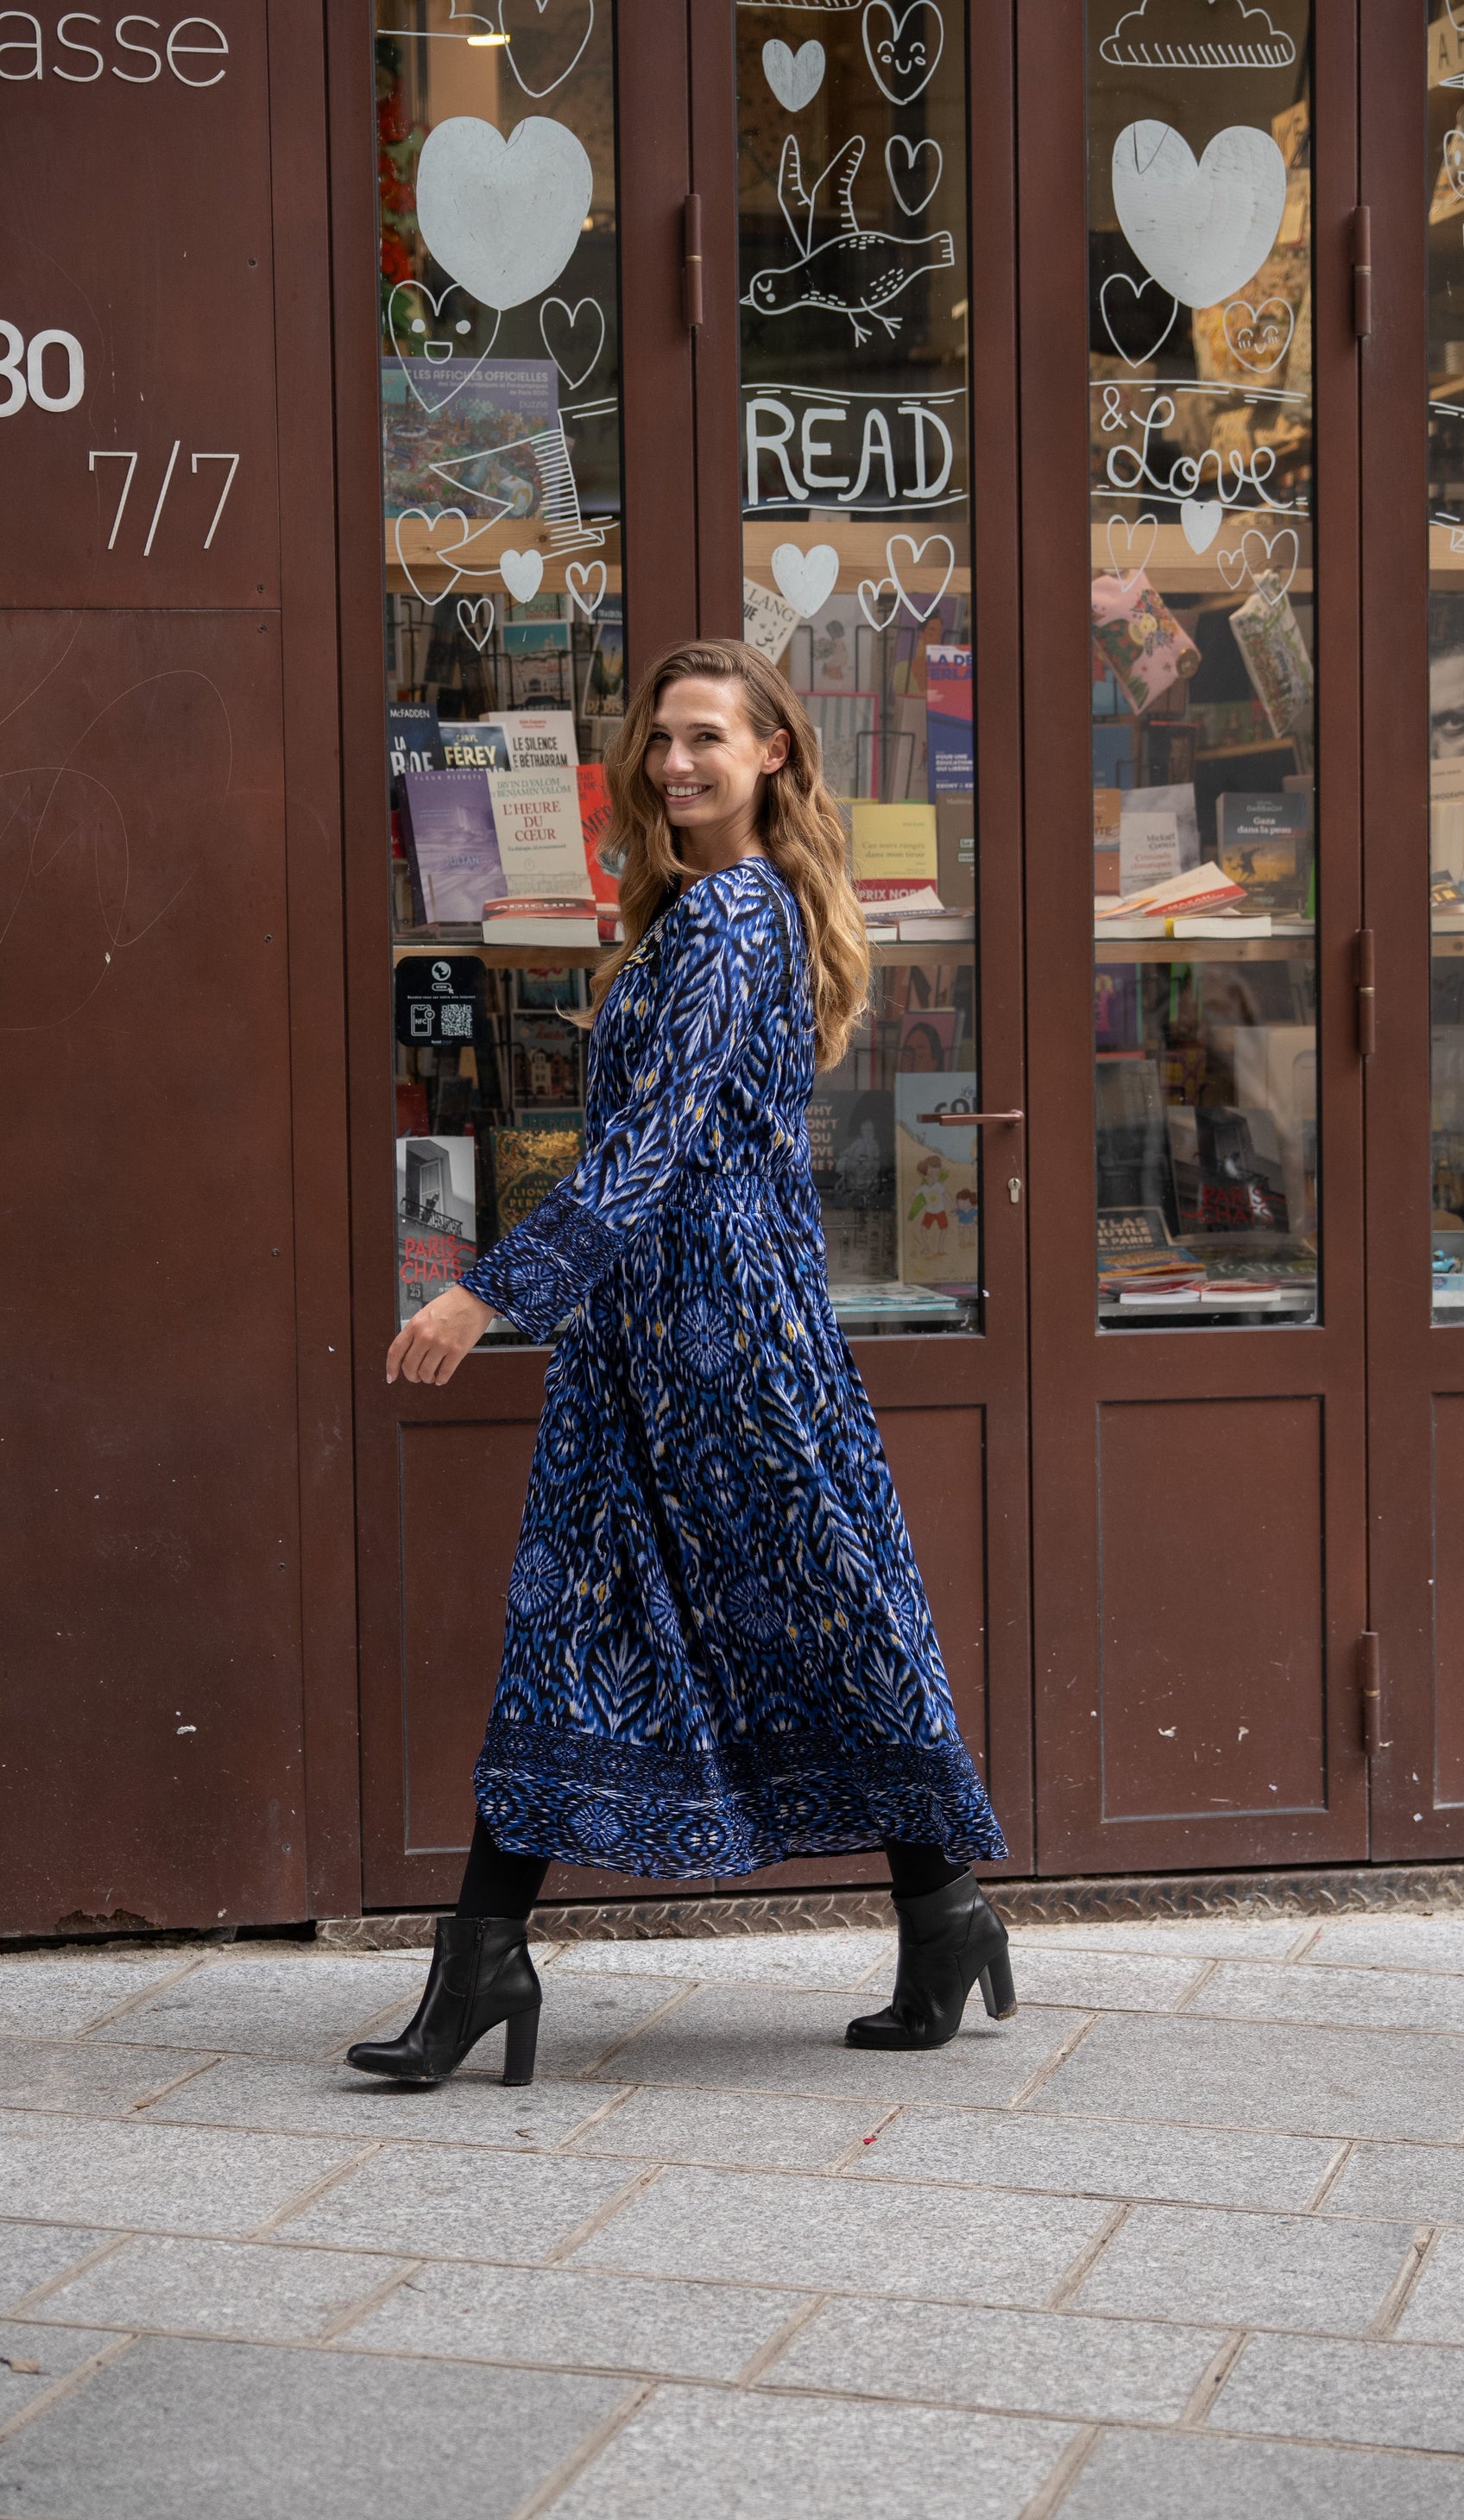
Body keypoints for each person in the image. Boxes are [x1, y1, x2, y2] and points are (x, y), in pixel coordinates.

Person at [349, 640, 1012, 2088]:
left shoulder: (726, 918)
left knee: (810, 1615)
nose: (674, 764)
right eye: (659, 739)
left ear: (773, 752)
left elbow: (642, 1156)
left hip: (719, 1339)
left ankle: (940, 1910)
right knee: (612, 1621)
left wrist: (481, 1297)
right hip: (655, 1331)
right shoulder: (717, 907)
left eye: (706, 736)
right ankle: (492, 1957)